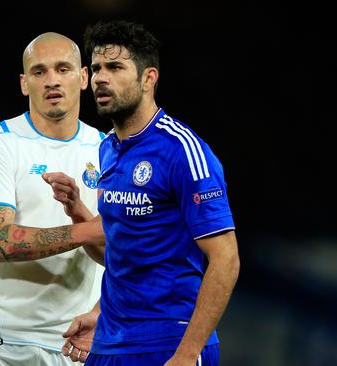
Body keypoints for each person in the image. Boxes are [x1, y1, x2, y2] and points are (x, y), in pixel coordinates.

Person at [59, 19, 240, 365]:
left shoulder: (183, 151)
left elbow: (226, 259)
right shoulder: (107, 149)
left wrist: (187, 354)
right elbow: (122, 251)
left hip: (169, 339)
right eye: (96, 68)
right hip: (110, 341)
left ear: (148, 78)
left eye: (115, 67)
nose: (100, 77)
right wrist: (81, 215)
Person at [0, 32, 106, 366]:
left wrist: (104, 312)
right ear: (23, 83)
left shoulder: (108, 149)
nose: (52, 81)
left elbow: (117, 253)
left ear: (84, 77)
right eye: (39, 71)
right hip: (4, 345)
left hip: (79, 341)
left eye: (63, 69)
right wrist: (86, 230)